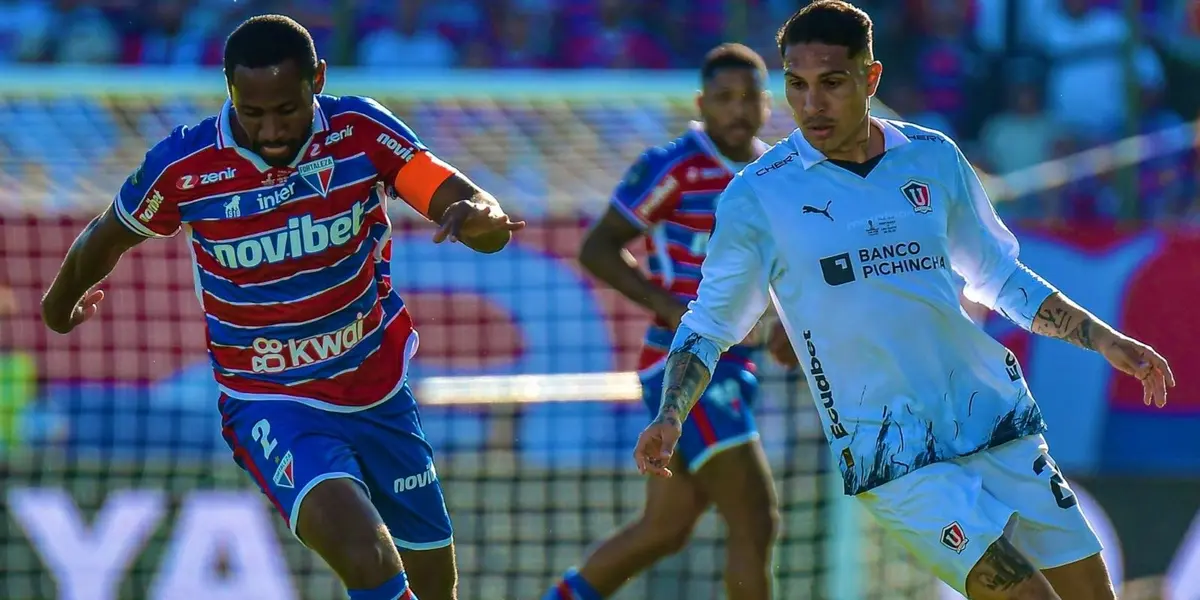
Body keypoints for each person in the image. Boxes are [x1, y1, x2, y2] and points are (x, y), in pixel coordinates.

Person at [631, 3, 1174, 600]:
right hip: (893, 457)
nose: (811, 105)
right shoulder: (759, 195)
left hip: (996, 419)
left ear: (870, 79)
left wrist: (1103, 338)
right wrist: (670, 413)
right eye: (796, 85)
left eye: (831, 83)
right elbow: (708, 325)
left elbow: (999, 278)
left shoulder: (933, 157)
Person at [39, 15, 524, 600]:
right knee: (367, 557)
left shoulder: (361, 131)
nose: (270, 131)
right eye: (253, 112)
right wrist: (58, 307)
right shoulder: (186, 166)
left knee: (434, 588)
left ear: (317, 80)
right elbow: (107, 235)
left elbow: (465, 201)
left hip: (379, 390)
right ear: (229, 92)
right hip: (271, 398)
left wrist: (483, 220)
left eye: (286, 111)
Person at [545, 43, 792, 600]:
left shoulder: (777, 172)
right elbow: (598, 248)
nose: (738, 110)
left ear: (766, 104)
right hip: (682, 363)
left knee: (665, 529)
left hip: (738, 363)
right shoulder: (675, 165)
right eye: (724, 99)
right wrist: (673, 309)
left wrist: (786, 329)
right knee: (756, 518)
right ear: (702, 104)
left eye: (749, 98)